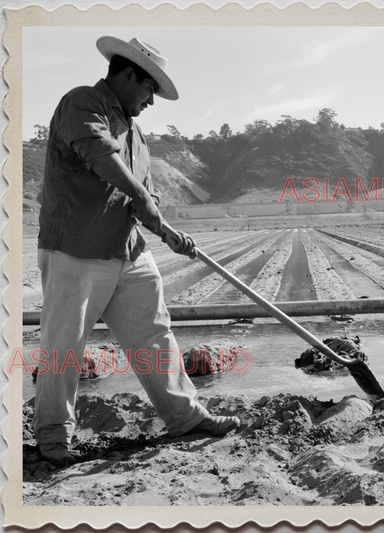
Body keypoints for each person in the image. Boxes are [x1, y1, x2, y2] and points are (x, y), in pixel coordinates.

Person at [34, 36, 240, 466]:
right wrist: (142, 199)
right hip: (76, 249)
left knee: (154, 334)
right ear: (128, 75)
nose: (151, 101)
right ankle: (54, 434)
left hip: (128, 251)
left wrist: (164, 227)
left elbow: (144, 198)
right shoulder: (82, 103)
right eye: (149, 89)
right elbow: (99, 156)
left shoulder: (139, 138)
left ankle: (185, 416)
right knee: (64, 345)